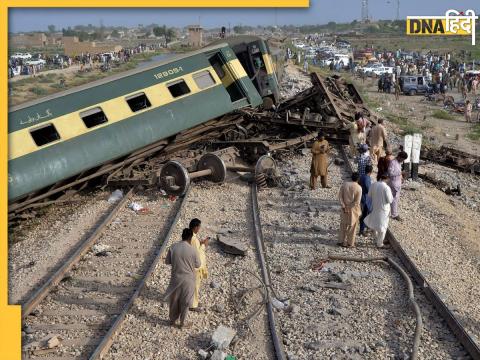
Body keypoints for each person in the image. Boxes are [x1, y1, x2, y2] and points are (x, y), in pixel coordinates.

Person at [164, 228, 200, 329]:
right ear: (190, 237)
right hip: (188, 280)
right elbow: (198, 265)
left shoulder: (173, 247)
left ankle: (172, 320)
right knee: (185, 302)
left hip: (176, 279)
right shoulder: (193, 250)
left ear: (182, 236)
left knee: (174, 300)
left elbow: (167, 262)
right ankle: (182, 323)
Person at [364, 172, 394, 248]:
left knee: (375, 223)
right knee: (383, 226)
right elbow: (390, 200)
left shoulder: (373, 185)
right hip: (384, 209)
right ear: (386, 179)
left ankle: (376, 239)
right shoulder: (386, 188)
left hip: (375, 207)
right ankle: (380, 244)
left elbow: (369, 196)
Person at [189, 218, 209, 312]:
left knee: (193, 285)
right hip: (195, 268)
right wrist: (204, 245)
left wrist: (200, 243)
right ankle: (193, 305)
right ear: (196, 227)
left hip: (190, 266)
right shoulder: (193, 239)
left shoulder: (190, 236)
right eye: (199, 227)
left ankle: (194, 301)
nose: (199, 229)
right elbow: (197, 253)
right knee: (195, 286)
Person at [338, 172, 362, 248]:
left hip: (344, 208)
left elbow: (340, 197)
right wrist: (349, 207)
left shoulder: (344, 185)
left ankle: (340, 241)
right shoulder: (359, 188)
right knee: (352, 226)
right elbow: (357, 202)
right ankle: (350, 243)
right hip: (353, 210)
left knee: (343, 225)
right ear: (358, 179)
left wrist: (344, 206)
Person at [387, 151, 409, 221]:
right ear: (399, 157)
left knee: (394, 199)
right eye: (402, 159)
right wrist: (400, 172)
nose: (403, 161)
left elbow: (398, 173)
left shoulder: (398, 162)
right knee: (394, 199)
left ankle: (392, 212)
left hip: (397, 182)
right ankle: (394, 214)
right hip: (393, 183)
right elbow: (390, 173)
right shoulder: (393, 162)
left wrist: (402, 177)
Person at [359, 165, 373, 237]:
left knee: (364, 214)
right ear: (371, 171)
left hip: (361, 197)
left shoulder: (362, 176)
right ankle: (362, 230)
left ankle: (364, 228)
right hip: (365, 198)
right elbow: (369, 189)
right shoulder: (367, 178)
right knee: (365, 214)